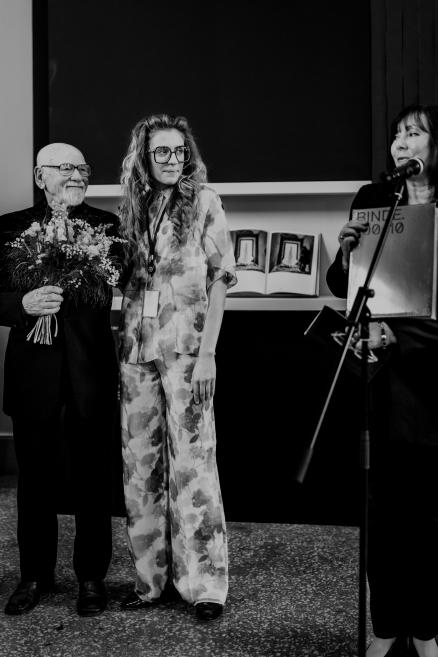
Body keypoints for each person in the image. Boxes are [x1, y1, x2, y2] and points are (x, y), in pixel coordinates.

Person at [326, 104, 438, 657]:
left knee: (428, 514)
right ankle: (387, 623)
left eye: (414, 133)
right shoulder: (373, 199)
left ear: (436, 147)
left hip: (431, 380)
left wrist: (405, 339)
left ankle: (427, 626)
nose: (401, 143)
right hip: (379, 379)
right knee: (382, 511)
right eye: (396, 133)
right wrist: (344, 251)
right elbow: (343, 286)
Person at [118, 114, 236, 621]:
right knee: (140, 467)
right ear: (143, 158)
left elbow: (222, 278)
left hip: (188, 351)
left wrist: (208, 352)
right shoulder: (133, 207)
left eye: (178, 151)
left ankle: (205, 585)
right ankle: (151, 581)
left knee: (193, 468)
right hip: (135, 351)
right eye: (160, 152)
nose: (171, 160)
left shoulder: (205, 203)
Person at [0, 143, 121, 616]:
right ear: (39, 175)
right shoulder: (9, 228)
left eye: (83, 168)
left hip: (91, 371)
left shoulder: (107, 228)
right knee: (34, 480)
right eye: (65, 167)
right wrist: (20, 306)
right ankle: (35, 575)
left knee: (94, 479)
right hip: (33, 375)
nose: (76, 174)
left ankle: (92, 577)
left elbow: (130, 282)